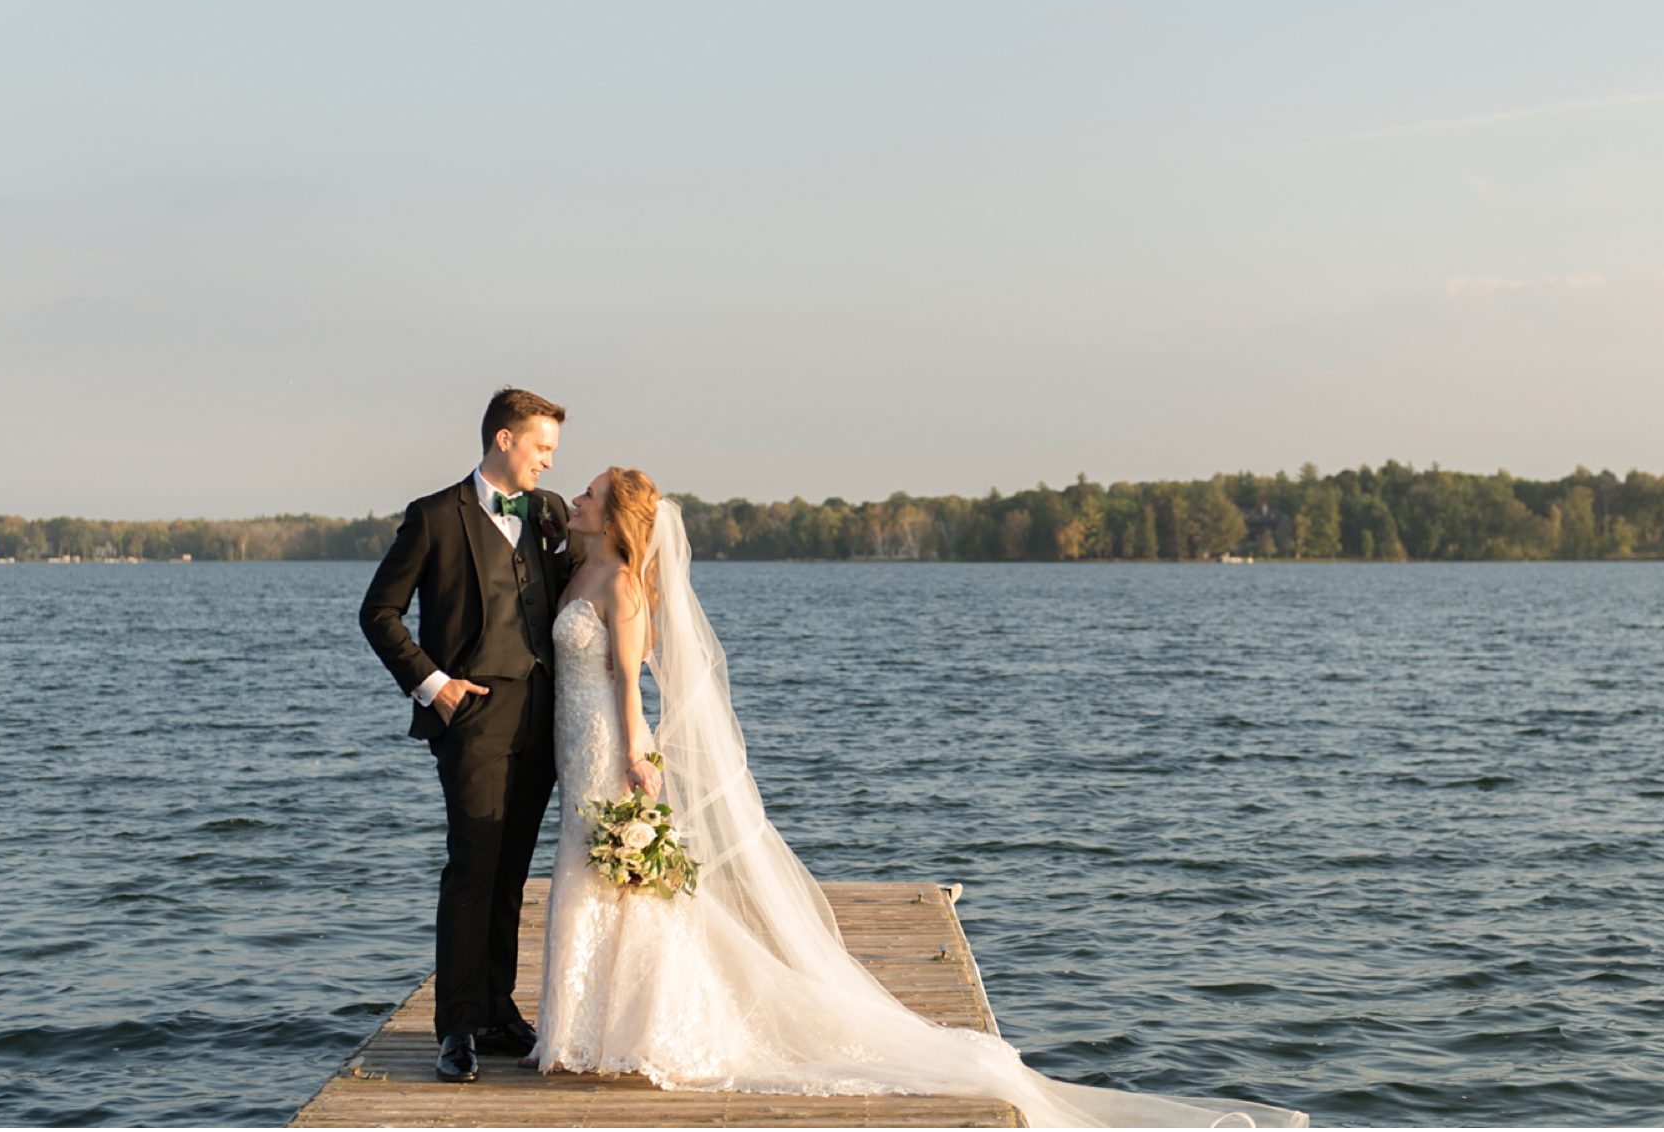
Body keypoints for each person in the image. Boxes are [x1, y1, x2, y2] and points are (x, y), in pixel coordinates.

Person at [523, 466, 1309, 1128]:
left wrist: (634, 757)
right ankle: (588, 1033)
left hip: (609, 749)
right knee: (597, 880)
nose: (579, 500)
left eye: (590, 494)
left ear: (617, 517)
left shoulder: (624, 585)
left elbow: (629, 682)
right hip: (575, 743)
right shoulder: (580, 566)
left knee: (619, 884)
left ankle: (628, 1034)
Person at [358, 386, 578, 1083]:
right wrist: (435, 685)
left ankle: (496, 1010)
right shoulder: (433, 518)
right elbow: (378, 613)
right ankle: (455, 1028)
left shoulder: (549, 513)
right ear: (504, 439)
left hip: (542, 718)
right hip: (474, 717)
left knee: (512, 873)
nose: (548, 461)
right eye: (541, 447)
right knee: (472, 867)